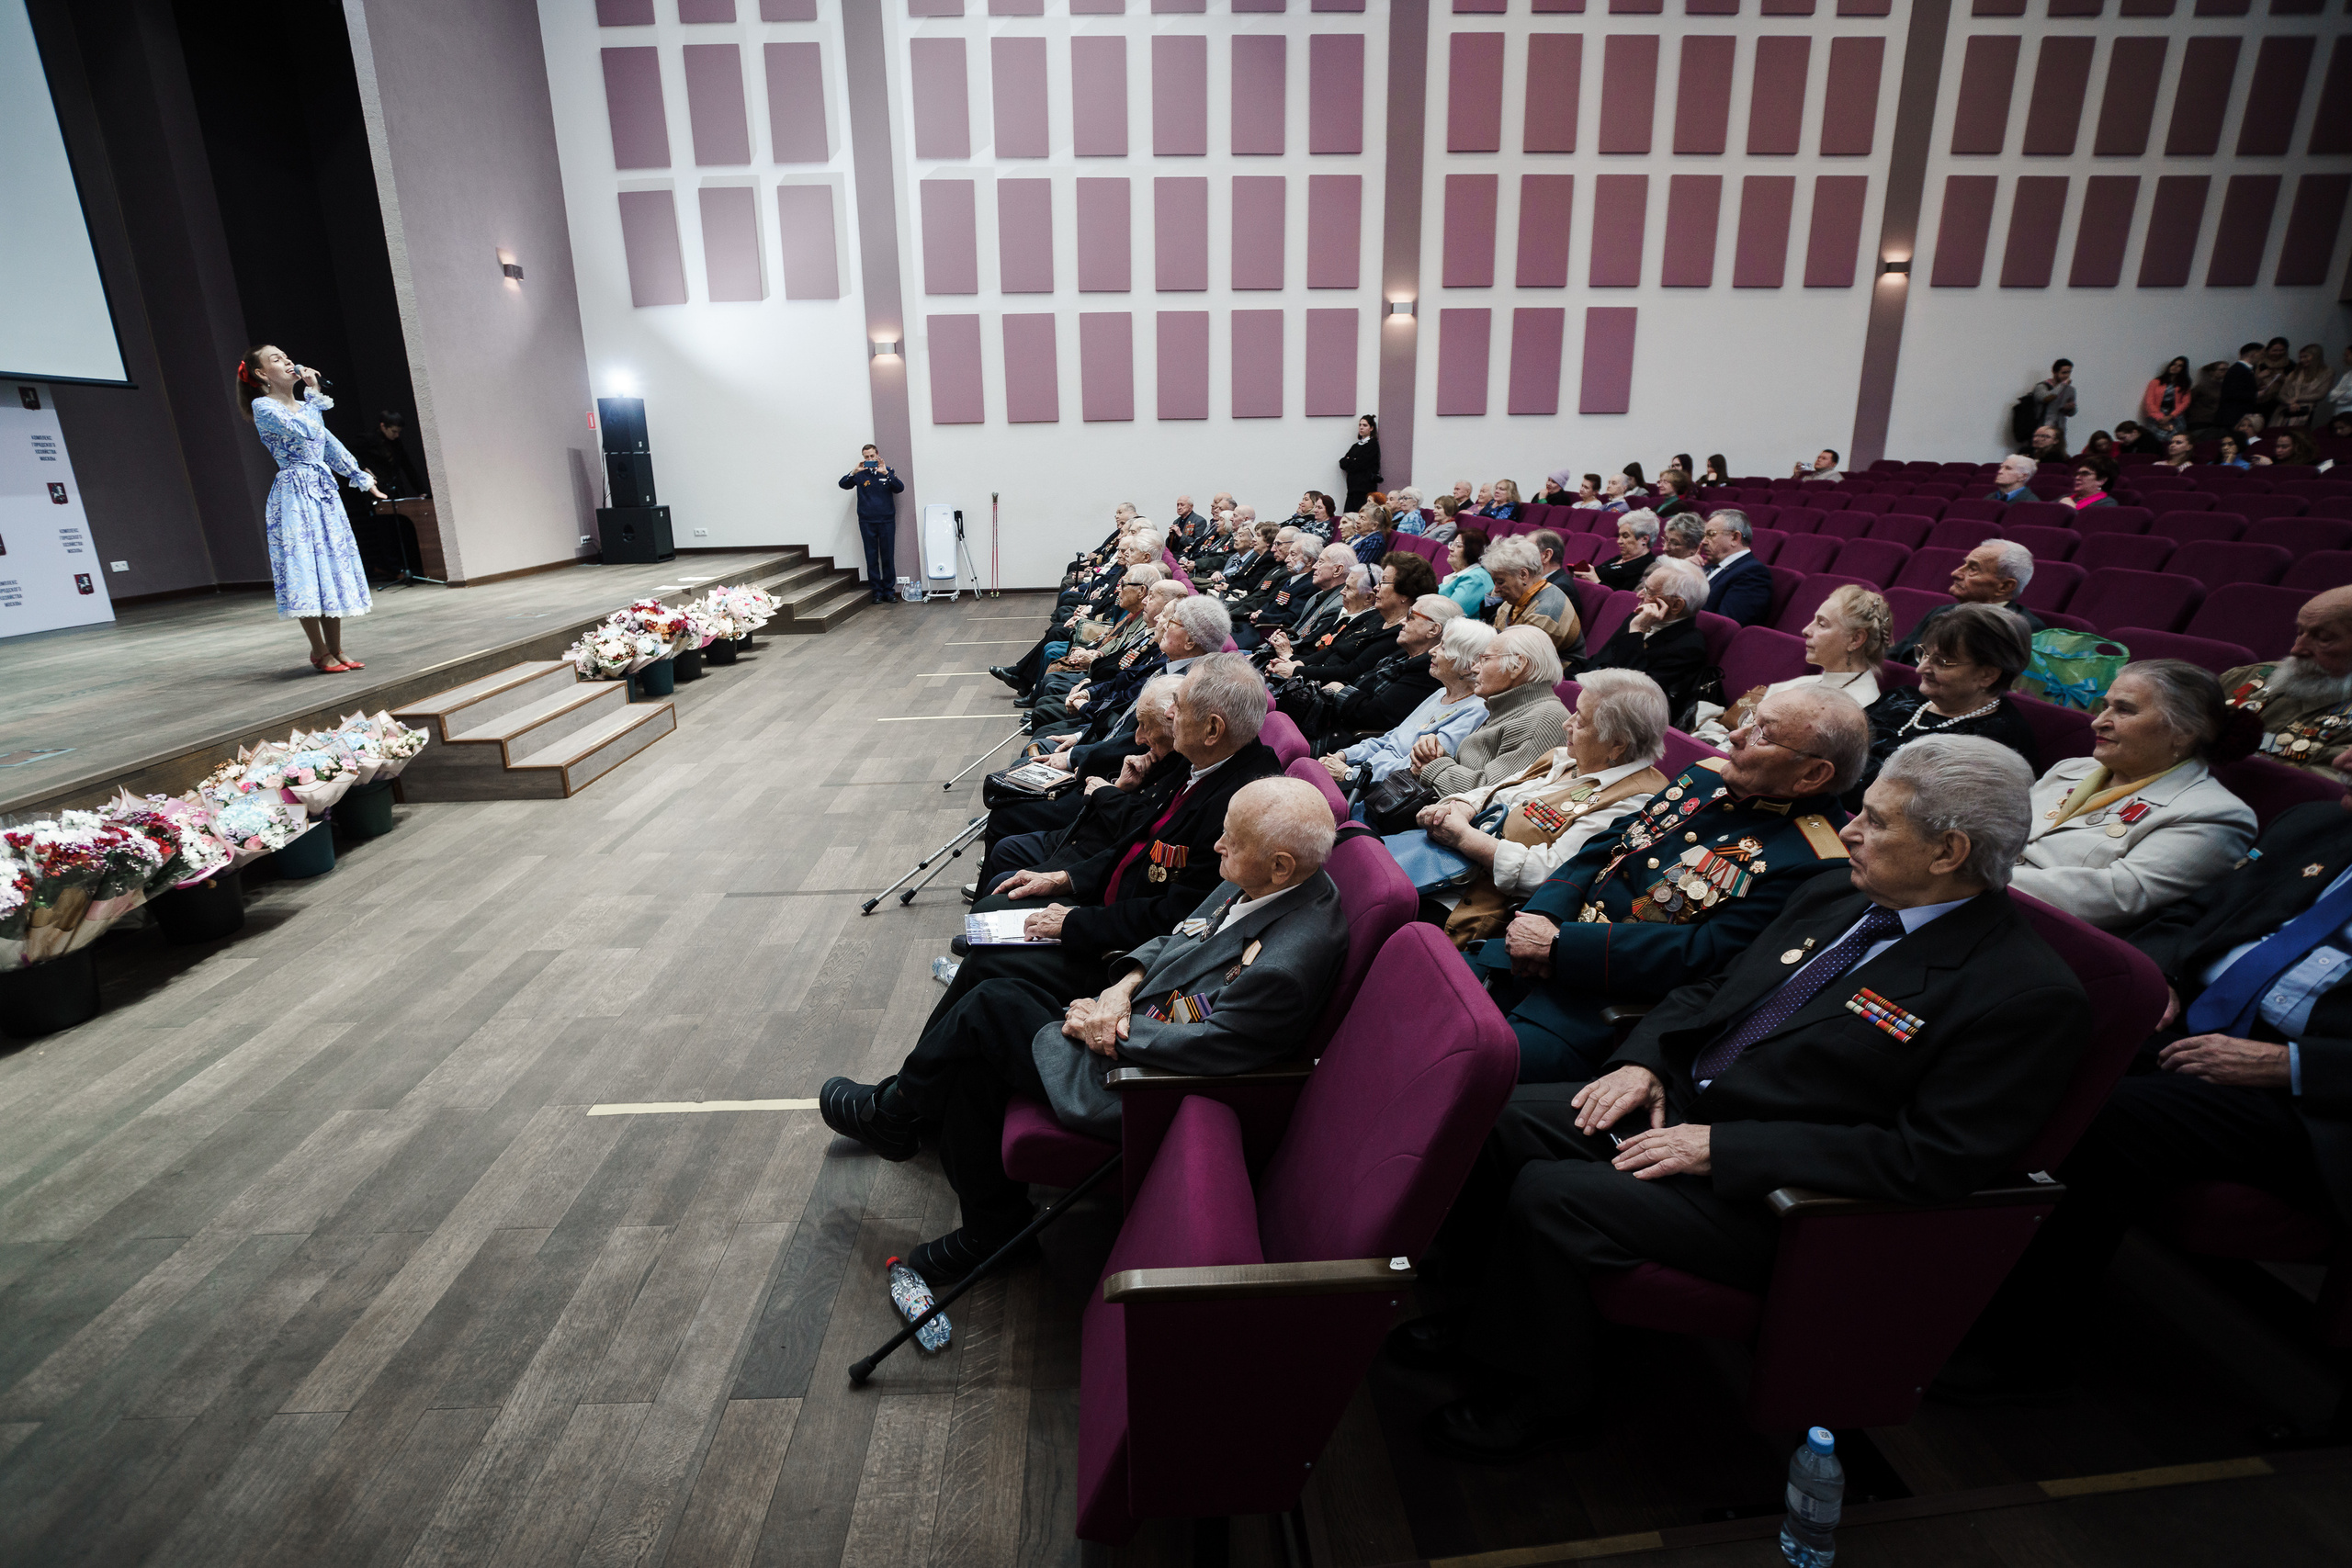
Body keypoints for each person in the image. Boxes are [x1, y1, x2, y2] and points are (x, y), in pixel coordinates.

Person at [1408, 735, 2086, 1462]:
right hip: (1687, 1101)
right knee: (1503, 1120)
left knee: (1554, 1193)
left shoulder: (2024, 992)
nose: (1850, 828)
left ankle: (1545, 1393)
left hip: (1784, 1193)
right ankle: (1486, 1311)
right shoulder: (1838, 892)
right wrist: (1646, 1061)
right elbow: (1710, 992)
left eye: (1879, 821)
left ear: (1949, 851)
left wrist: (1723, 1148)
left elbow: (1934, 1158)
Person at [820, 777, 1349, 1282]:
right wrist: (1119, 990)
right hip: (1131, 1019)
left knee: (990, 1009)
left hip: (1140, 1082)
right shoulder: (1274, 880)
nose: (1216, 844)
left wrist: (1109, 1028)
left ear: (1280, 866)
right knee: (982, 1030)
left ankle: (900, 1116)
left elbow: (1212, 1048)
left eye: (1230, 839)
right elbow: (1178, 938)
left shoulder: (1283, 964)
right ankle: (987, 1219)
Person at [1950, 746, 2352, 1404]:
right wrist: (2160, 972)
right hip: (2194, 1026)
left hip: (2310, 1100)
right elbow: (2193, 914)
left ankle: (2021, 1350)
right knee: (2020, 1041)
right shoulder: (2316, 824)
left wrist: (2289, 1064)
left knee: (2105, 1122)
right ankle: (1917, 1260)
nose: (2341, 755)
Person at [1466, 687, 1871, 1082]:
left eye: (1763, 733)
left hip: (1593, 1009)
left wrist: (1560, 946)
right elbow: (1609, 844)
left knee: (1462, 1066)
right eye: (1751, 719)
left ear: (1813, 774)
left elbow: (1708, 953)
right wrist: (1544, 912)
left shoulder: (1817, 861)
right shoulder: (1706, 778)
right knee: (1416, 994)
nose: (1735, 734)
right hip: (1526, 954)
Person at [1419, 669, 1671, 948]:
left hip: (1481, 914)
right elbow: (1497, 792)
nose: (1567, 723)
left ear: (1617, 743)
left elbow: (1549, 873)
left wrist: (1464, 837)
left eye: (1582, 721)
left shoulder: (1633, 800)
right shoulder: (1567, 759)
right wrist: (1461, 807)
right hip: (1446, 872)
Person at [2012, 661, 2259, 929]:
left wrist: (1972, 879)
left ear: (2184, 732)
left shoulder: (2215, 815)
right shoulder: (2071, 768)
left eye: (2124, 710)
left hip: (2044, 936)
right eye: (2105, 706)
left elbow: (2115, 897)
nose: (2098, 722)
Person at [237, 344, 384, 673]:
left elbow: (329, 446)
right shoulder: (264, 407)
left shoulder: (306, 407)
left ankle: (337, 648)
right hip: (294, 494)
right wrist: (315, 395)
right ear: (262, 374)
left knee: (330, 566)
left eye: (286, 356)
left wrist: (361, 478)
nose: (288, 361)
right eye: (276, 359)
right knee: (304, 567)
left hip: (323, 492)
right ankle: (319, 651)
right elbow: (308, 430)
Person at [1862, 603, 2040, 804]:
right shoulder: (1901, 698)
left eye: (1942, 662)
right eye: (1924, 653)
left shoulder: (1994, 745)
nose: (1920, 669)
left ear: (1988, 674)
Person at [1693, 584, 1887, 745]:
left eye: (1822, 624)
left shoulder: (1858, 708)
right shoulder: (1803, 683)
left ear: (1855, 639)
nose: (1805, 630)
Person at [1324, 615, 1492, 787]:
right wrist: (1344, 755)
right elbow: (1390, 739)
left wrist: (1351, 774)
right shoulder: (1440, 692)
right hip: (1364, 775)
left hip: (1382, 792)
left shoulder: (1476, 710)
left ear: (1468, 665)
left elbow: (1413, 768)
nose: (1432, 651)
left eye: (1444, 647)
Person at [1410, 626, 1572, 796]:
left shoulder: (1542, 719)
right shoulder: (1510, 707)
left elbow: (1488, 793)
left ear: (1517, 665)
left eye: (1485, 659)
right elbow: (1473, 770)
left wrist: (1433, 767)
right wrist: (1435, 754)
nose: (1475, 668)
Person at [1298, 594, 1460, 747]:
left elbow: (1373, 716)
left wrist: (1340, 691)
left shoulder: (1427, 670)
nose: (1402, 621)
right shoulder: (1403, 652)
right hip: (1333, 725)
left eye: (1411, 617)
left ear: (1433, 630)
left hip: (1347, 740)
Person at [2222, 587, 2352, 772]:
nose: (2296, 650)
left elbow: (2314, 794)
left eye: (2323, 638)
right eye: (2300, 632)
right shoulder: (2246, 676)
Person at [1585, 557, 1710, 716]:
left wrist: (1638, 631)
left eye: (1649, 591)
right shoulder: (1639, 616)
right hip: (1589, 691)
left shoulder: (1689, 648)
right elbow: (1601, 658)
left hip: (1614, 713)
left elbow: (1629, 691)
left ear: (1676, 605)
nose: (1638, 595)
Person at [1887, 540, 2045, 664]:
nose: (1955, 573)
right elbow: (1893, 658)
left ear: (2005, 586)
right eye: (1964, 564)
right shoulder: (1940, 611)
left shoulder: (2023, 629)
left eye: (1973, 569)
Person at [1485, 536, 1582, 655]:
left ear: (1523, 574)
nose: (1496, 590)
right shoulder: (1515, 599)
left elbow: (1513, 656)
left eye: (1500, 582)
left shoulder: (1547, 610)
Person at [839, 443, 906, 604]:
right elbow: (843, 484)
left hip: (886, 521)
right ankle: (876, 592)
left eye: (872, 456)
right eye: (866, 457)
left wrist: (886, 474)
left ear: (877, 455)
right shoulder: (860, 475)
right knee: (871, 557)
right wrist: (853, 471)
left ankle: (889, 591)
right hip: (867, 521)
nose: (869, 459)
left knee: (887, 556)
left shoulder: (887, 471)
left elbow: (900, 488)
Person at [1698, 510, 1771, 626]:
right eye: (1704, 535)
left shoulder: (1753, 573)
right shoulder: (1708, 565)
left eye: (1711, 534)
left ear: (1735, 538)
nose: (1703, 542)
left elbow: (1725, 625)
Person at [1575, 510, 1660, 592]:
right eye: (1620, 536)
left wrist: (1596, 582)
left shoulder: (1646, 566)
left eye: (1625, 536)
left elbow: (1623, 597)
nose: (1619, 541)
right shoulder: (1620, 558)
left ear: (1644, 539)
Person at [356, 410, 426, 499]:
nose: (397, 435)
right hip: (377, 488)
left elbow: (408, 467)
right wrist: (363, 468)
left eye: (398, 432)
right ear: (383, 426)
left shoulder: (396, 443)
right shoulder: (367, 440)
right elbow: (352, 455)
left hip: (395, 489)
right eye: (394, 431)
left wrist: (421, 491)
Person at [1440, 529, 1495, 615]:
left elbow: (1451, 613)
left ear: (1472, 551)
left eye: (1458, 546)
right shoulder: (1464, 572)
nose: (1451, 548)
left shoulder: (1477, 578)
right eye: (1452, 544)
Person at [2216, 342, 2263, 434]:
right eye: (2261, 354)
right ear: (2254, 354)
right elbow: (2232, 393)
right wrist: (2255, 395)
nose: (2262, 358)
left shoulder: (2242, 369)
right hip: (2234, 416)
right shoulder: (2238, 370)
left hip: (2236, 415)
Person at [2143, 355, 2193, 440]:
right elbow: (2149, 401)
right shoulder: (2156, 382)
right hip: (2157, 414)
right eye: (2174, 364)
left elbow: (2185, 403)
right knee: (2157, 437)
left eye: (2180, 366)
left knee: (2177, 437)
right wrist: (2160, 417)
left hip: (2175, 415)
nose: (2175, 367)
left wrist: (2170, 416)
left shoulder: (2184, 385)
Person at [1339, 415, 1382, 513]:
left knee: (1361, 515)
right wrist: (1352, 461)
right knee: (1349, 516)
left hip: (1365, 489)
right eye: (1360, 425)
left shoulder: (1372, 445)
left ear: (1371, 428)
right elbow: (1343, 463)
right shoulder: (1355, 446)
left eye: (1365, 425)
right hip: (1352, 488)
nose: (1361, 427)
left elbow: (1361, 464)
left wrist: (1351, 461)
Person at [2030, 358, 2078, 439]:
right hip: (2042, 428)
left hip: (2060, 429)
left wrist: (2070, 408)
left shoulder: (2070, 390)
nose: (2067, 376)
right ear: (2055, 372)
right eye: (2064, 373)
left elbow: (2072, 413)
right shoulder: (2042, 386)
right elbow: (2046, 398)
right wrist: (2062, 385)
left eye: (2069, 372)